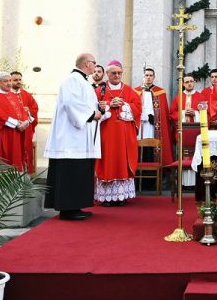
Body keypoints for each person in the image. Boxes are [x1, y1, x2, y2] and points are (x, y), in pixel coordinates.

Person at [44, 53, 103, 221]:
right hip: (70, 139)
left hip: (79, 137)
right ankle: (67, 209)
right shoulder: (72, 81)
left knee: (79, 171)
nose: (95, 66)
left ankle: (75, 206)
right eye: (94, 63)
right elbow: (71, 104)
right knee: (70, 172)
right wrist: (92, 115)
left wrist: (98, 109)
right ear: (86, 64)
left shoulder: (83, 81)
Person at [94, 60, 141, 206]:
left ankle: (121, 196)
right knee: (107, 161)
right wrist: (108, 105)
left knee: (122, 160)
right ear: (107, 74)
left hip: (124, 136)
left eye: (119, 73)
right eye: (113, 73)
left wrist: (124, 105)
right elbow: (92, 108)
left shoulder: (129, 90)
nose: (117, 75)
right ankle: (105, 197)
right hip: (106, 134)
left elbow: (138, 108)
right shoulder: (99, 91)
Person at [0, 72, 30, 171]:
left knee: (16, 158)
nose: (9, 83)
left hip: (17, 132)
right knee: (4, 159)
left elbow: (21, 110)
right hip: (3, 132)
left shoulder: (12, 94)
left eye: (10, 80)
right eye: (5, 81)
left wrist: (25, 122)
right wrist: (17, 124)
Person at [139, 68, 173, 165]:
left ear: (154, 77)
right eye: (146, 75)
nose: (148, 77)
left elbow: (163, 113)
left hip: (153, 125)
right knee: (140, 148)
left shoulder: (160, 92)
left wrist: (153, 118)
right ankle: (139, 177)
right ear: (143, 76)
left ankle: (152, 177)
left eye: (151, 75)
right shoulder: (136, 91)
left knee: (151, 148)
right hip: (140, 126)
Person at [10, 71, 39, 173]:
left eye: (19, 79)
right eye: (15, 80)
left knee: (26, 150)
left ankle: (26, 179)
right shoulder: (6, 94)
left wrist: (29, 112)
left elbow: (35, 109)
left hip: (26, 130)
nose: (18, 82)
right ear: (10, 81)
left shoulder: (26, 95)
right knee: (14, 153)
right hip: (13, 130)